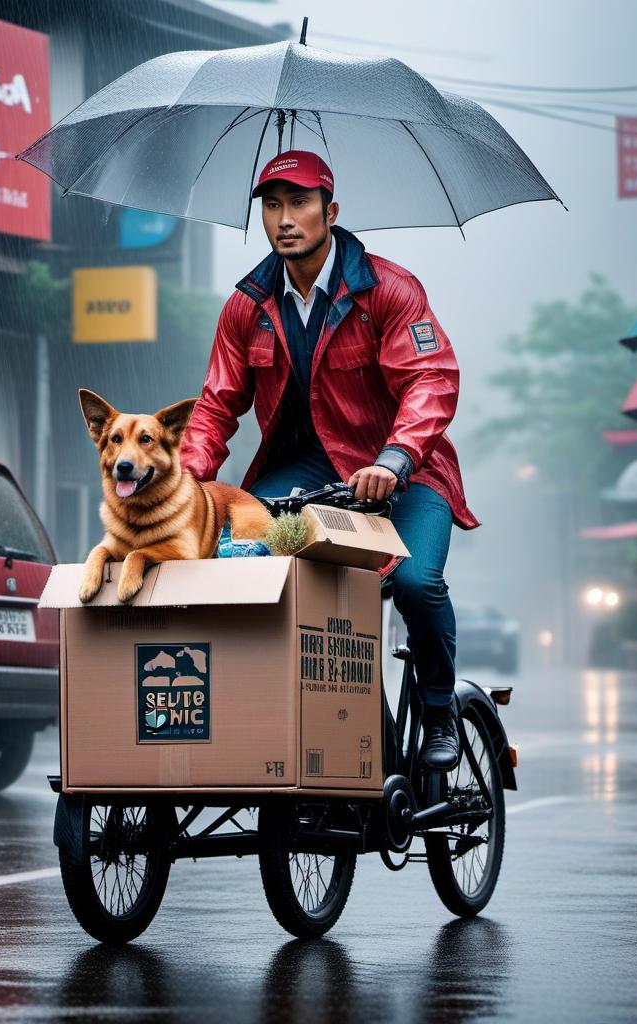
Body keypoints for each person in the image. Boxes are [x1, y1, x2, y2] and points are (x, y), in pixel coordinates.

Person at [180, 150, 478, 770]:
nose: (285, 219)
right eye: (272, 205)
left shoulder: (389, 290)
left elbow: (432, 378)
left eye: (300, 203)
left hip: (406, 471)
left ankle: (441, 704)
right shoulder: (247, 306)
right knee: (239, 559)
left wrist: (394, 458)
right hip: (306, 473)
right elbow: (214, 406)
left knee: (417, 585)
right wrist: (185, 480)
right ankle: (285, 712)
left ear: (330, 211)